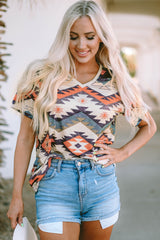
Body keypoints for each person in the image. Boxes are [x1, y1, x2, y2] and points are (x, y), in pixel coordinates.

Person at [7, 1, 157, 240]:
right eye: (73, 36)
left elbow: (148, 125)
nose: (81, 45)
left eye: (89, 36)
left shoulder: (116, 80)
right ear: (64, 36)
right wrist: (16, 195)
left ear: (101, 37)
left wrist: (122, 153)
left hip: (101, 183)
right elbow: (25, 138)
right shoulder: (41, 76)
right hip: (54, 182)